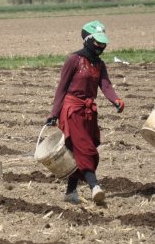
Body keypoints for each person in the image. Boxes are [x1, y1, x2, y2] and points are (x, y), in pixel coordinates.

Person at [46, 20, 124, 205]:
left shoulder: (99, 64)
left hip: (89, 112)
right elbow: (62, 88)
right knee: (84, 149)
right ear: (88, 40)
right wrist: (54, 113)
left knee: (80, 151)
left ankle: (70, 192)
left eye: (103, 43)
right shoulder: (74, 60)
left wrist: (116, 100)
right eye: (98, 42)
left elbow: (105, 85)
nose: (101, 46)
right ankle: (94, 186)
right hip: (72, 110)